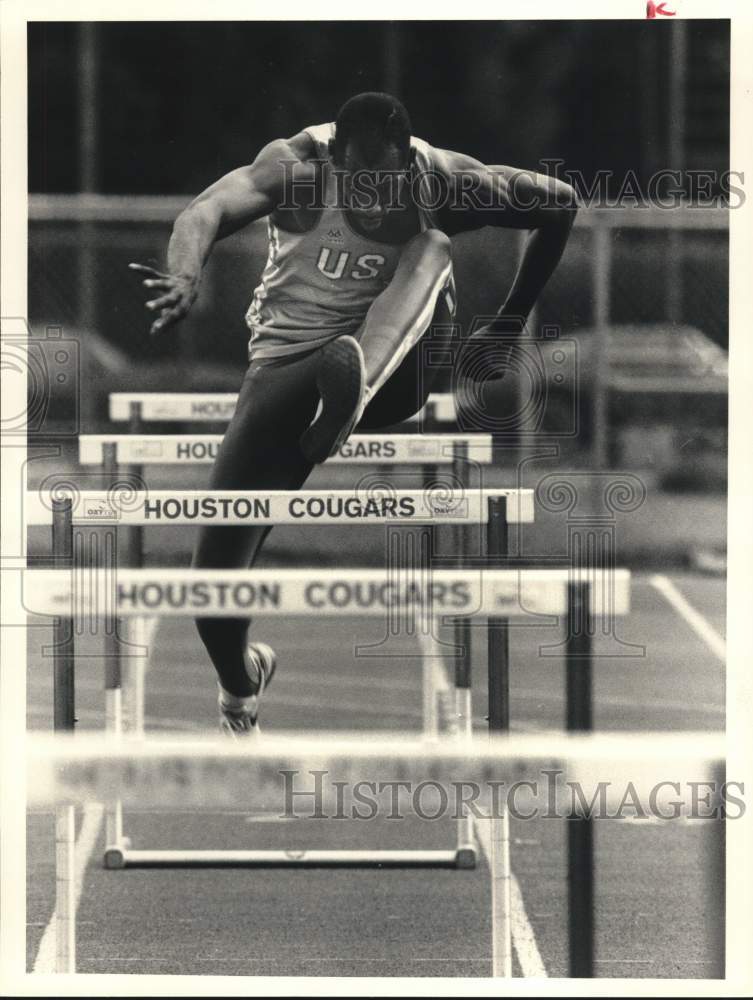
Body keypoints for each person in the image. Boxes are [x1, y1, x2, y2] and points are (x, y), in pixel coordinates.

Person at [131, 91, 577, 735]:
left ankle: (356, 382)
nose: (373, 195)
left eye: (387, 179)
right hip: (288, 370)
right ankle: (242, 681)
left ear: (409, 160)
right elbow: (206, 209)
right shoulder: (295, 170)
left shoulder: (444, 182)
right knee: (212, 592)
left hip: (403, 367)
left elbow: (559, 204)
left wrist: (508, 325)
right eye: (359, 179)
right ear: (336, 158)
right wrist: (184, 272)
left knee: (430, 246)